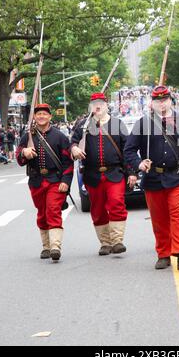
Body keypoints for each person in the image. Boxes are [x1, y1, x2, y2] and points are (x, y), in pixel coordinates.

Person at [124, 85, 179, 271]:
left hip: (178, 176)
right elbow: (128, 150)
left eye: (165, 99)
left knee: (178, 214)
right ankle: (163, 253)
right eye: (158, 100)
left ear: (170, 101)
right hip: (153, 178)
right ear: (151, 103)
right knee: (159, 219)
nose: (161, 103)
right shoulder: (143, 123)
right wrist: (139, 164)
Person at [71, 92, 137, 256]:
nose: (97, 106)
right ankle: (105, 243)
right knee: (98, 210)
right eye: (94, 103)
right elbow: (72, 142)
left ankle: (117, 241)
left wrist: (131, 172)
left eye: (100, 103)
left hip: (114, 173)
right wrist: (74, 148)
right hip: (92, 175)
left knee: (116, 203)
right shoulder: (83, 125)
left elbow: (127, 150)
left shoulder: (117, 124)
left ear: (107, 105)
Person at [16, 104, 74, 262]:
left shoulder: (60, 137)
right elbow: (19, 159)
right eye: (38, 114)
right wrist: (24, 152)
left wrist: (66, 181)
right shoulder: (27, 135)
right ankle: (46, 247)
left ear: (49, 117)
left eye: (44, 114)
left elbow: (68, 162)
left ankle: (55, 246)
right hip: (36, 181)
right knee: (42, 214)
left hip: (55, 180)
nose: (41, 116)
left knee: (53, 210)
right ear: (34, 117)